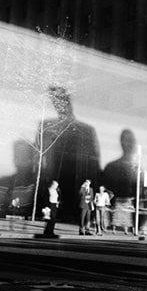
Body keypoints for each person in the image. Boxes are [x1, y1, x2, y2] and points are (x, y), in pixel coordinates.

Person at [37, 86, 100, 222]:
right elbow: (39, 154)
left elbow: (94, 161)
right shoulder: (46, 126)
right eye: (56, 101)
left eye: (62, 100)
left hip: (76, 174)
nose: (60, 105)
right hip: (53, 173)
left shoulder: (86, 129)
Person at [102, 129, 143, 235]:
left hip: (126, 207)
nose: (129, 144)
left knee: (123, 219)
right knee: (120, 218)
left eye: (131, 140)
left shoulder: (138, 170)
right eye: (127, 141)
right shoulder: (111, 168)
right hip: (120, 207)